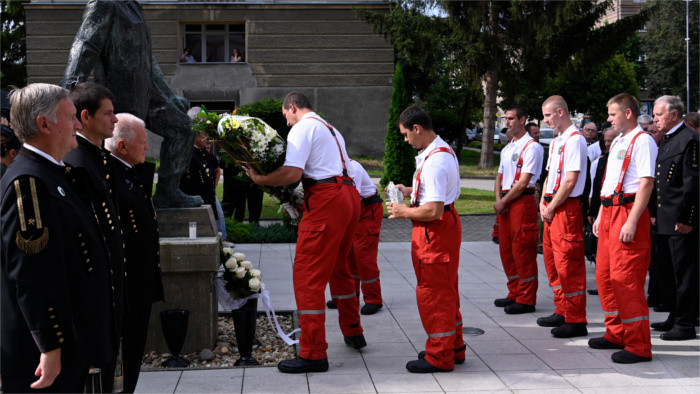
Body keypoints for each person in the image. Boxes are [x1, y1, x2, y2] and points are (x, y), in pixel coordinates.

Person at [1, 83, 115, 392]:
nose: (78, 125)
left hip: (67, 344)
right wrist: (50, 346)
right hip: (42, 356)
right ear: (44, 124)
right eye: (70, 117)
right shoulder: (29, 183)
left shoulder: (51, 174)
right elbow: (32, 274)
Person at [243, 92, 364, 373]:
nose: (286, 123)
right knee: (339, 268)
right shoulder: (329, 128)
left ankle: (312, 353)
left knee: (308, 275)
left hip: (327, 199)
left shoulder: (302, 127)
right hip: (348, 195)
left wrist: (260, 179)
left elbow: (292, 172)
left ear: (292, 108)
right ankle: (353, 331)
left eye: (285, 116)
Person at [62, 0, 203, 209]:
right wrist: (68, 89)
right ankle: (116, 202)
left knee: (183, 128)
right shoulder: (105, 3)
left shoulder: (134, 6)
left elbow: (149, 60)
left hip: (148, 92)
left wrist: (169, 95)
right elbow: (85, 43)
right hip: (119, 95)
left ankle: (167, 192)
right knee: (121, 152)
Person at [386, 106, 464, 373]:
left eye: (406, 135)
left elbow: (433, 210)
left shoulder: (434, 161)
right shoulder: (439, 151)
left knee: (434, 294)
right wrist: (410, 191)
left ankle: (439, 356)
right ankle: (453, 347)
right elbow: (437, 194)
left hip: (434, 230)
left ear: (417, 128)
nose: (405, 140)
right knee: (447, 290)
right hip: (444, 228)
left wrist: (402, 210)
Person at [63, 82, 125, 391]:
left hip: (108, 285)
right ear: (85, 116)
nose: (115, 120)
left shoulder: (99, 159)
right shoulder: (76, 163)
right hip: (91, 288)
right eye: (109, 113)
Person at [589, 93, 657, 364]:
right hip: (609, 212)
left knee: (627, 280)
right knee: (606, 277)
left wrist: (631, 221)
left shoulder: (643, 141)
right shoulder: (618, 140)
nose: (608, 118)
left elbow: (646, 183)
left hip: (628, 212)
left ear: (628, 113)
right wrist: (600, 215)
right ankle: (616, 332)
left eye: (612, 113)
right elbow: (611, 181)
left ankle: (639, 345)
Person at [104, 113, 164, 392]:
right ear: (122, 147)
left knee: (134, 354)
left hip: (138, 283)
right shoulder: (109, 176)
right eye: (142, 142)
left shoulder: (128, 172)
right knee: (122, 358)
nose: (148, 147)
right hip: (126, 286)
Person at [538, 95, 588, 338]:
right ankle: (562, 309)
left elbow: (570, 180)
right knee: (552, 261)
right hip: (552, 205)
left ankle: (576, 319)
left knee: (569, 264)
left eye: (548, 115)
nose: (545, 120)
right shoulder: (558, 140)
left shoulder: (575, 140)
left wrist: (551, 205)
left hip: (565, 207)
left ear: (560, 112)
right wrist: (542, 201)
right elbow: (549, 175)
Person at [650, 95, 699, 341]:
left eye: (659, 114)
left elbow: (692, 184)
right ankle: (674, 315)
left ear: (674, 115)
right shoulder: (668, 140)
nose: (655, 118)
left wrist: (687, 218)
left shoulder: (690, 140)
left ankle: (685, 323)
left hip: (681, 220)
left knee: (684, 274)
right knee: (666, 272)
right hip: (664, 217)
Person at [493, 108, 543, 314]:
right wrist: (498, 200)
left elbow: (523, 182)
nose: (508, 121)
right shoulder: (508, 148)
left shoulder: (532, 147)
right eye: (506, 118)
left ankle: (526, 298)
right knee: (506, 250)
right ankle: (514, 292)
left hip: (521, 202)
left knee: (522, 250)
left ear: (522, 120)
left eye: (511, 118)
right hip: (506, 203)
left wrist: (503, 201)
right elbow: (499, 176)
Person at [327, 159, 384, 315]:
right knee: (345, 255)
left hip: (366, 210)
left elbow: (352, 197)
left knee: (363, 254)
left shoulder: (353, 167)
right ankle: (346, 297)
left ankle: (373, 299)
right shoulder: (325, 167)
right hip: (348, 210)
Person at [180, 132, 220, 220]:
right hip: (197, 203)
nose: (207, 138)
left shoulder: (206, 154)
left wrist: (213, 187)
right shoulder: (189, 154)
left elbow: (217, 170)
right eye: (204, 135)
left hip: (208, 200)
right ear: (195, 136)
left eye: (207, 135)